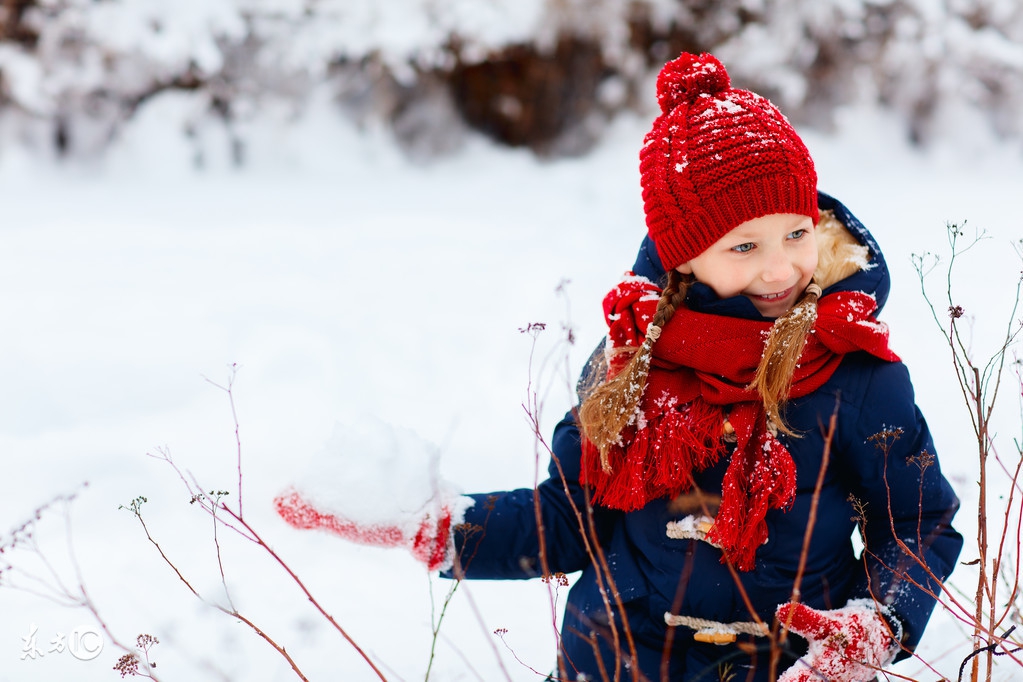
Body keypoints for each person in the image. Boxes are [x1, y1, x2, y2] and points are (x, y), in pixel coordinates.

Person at [275, 52, 963, 681]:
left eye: (794, 233)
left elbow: (918, 520)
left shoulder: (855, 373)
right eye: (742, 247)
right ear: (683, 259)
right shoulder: (629, 366)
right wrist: (440, 526)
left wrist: (880, 620)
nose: (779, 267)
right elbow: (569, 522)